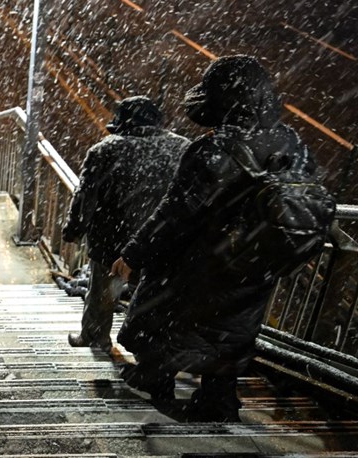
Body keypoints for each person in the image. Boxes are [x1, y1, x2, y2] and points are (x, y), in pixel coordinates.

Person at [111, 56, 319, 422]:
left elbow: (175, 213)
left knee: (164, 315)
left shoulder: (213, 150)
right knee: (230, 330)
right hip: (254, 263)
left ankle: (156, 380)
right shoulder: (291, 142)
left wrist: (135, 252)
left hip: (202, 261)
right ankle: (218, 400)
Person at [62, 96, 188, 353]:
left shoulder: (105, 150)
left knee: (104, 293)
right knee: (154, 296)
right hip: (162, 239)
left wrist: (74, 229)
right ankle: (151, 347)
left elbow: (86, 197)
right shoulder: (182, 148)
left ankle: (96, 337)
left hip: (113, 239)